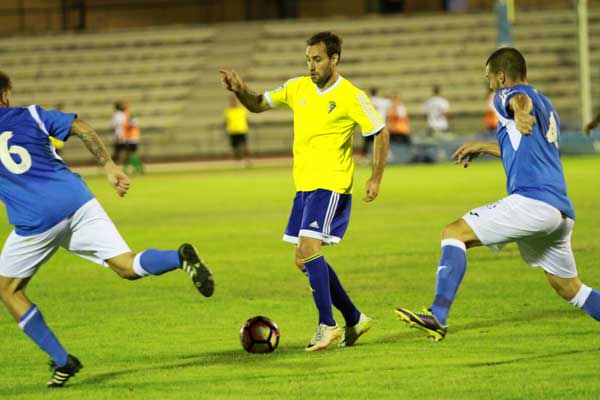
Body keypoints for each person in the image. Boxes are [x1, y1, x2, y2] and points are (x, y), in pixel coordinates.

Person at [0, 72, 214, 387]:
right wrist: (110, 167)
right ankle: (178, 257)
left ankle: (63, 360)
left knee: (8, 290)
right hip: (77, 200)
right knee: (126, 265)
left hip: (37, 221)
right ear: (5, 95)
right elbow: (82, 127)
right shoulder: (32, 114)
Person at [395, 47, 600, 341]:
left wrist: (521, 112)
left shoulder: (508, 95)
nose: (489, 84)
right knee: (571, 289)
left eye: (489, 78)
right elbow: (523, 149)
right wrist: (483, 146)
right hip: (559, 211)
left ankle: (438, 315)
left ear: (501, 76)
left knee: (454, 232)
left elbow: (519, 99)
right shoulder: (547, 104)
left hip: (533, 202)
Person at [220, 31, 389, 351]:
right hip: (305, 187)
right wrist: (241, 89)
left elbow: (379, 132)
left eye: (318, 59)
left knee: (309, 248)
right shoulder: (296, 87)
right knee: (303, 258)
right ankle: (354, 318)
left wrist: (376, 177)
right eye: (308, 60)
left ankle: (327, 325)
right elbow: (257, 104)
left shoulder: (352, 96)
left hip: (332, 184)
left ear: (335, 59)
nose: (311, 66)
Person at [363, 88, 391, 156]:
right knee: (380, 143)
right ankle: (383, 156)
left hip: (369, 125)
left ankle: (366, 157)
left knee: (367, 144)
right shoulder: (381, 101)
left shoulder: (366, 100)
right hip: (380, 125)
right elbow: (390, 103)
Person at [224, 95, 250, 163]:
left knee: (244, 146)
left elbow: (247, 120)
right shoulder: (228, 111)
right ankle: (238, 161)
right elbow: (226, 121)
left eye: (235, 101)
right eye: (232, 101)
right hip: (232, 131)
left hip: (242, 130)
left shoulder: (242, 110)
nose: (233, 103)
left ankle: (247, 160)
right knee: (235, 148)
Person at [112, 100, 128, 165]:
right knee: (120, 152)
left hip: (121, 135)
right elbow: (119, 125)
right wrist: (120, 135)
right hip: (120, 136)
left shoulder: (119, 114)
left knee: (118, 152)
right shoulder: (119, 115)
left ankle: (111, 164)